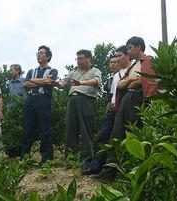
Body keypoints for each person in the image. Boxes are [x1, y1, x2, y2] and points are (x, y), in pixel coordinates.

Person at [95, 37, 158, 183]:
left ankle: (129, 175)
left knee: (132, 136)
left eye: (130, 48)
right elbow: (121, 85)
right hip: (126, 100)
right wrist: (132, 81)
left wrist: (132, 82)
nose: (128, 51)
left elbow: (147, 81)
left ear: (139, 47)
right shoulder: (133, 66)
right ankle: (109, 174)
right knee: (117, 136)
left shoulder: (147, 60)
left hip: (137, 99)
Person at [83, 46, 131, 175]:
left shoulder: (132, 71)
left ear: (127, 55)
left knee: (118, 141)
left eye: (119, 56)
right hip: (113, 109)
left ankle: (114, 171)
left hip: (124, 110)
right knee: (102, 137)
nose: (117, 60)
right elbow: (113, 94)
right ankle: (96, 167)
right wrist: (111, 104)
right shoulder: (116, 76)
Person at [53, 49, 102, 170]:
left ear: (89, 59)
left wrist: (80, 82)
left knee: (86, 130)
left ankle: (86, 161)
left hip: (86, 100)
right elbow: (63, 82)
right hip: (72, 101)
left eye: (81, 58)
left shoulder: (95, 70)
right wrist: (56, 83)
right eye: (77, 58)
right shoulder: (74, 71)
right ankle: (70, 160)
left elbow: (96, 81)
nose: (78, 61)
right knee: (70, 129)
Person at [21, 45, 58, 163]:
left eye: (42, 53)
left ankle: (47, 160)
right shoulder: (31, 71)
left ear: (48, 56)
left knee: (45, 130)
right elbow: (25, 85)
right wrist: (42, 81)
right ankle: (24, 158)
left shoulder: (52, 70)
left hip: (43, 100)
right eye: (38, 53)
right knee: (27, 129)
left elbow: (49, 82)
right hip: (30, 100)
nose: (39, 55)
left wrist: (32, 80)